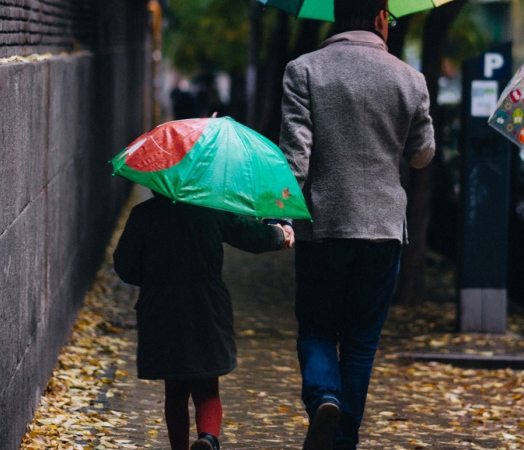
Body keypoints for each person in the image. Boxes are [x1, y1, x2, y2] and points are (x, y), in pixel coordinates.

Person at [278, 0, 435, 447]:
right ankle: (343, 439)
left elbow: (296, 155)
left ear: (335, 15)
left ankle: (324, 396)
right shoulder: (410, 78)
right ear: (381, 17)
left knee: (316, 328)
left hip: (323, 223)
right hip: (382, 227)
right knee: (362, 344)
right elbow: (422, 155)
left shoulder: (303, 70)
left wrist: (278, 214)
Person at [113, 191, 294, 450]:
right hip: (207, 306)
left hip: (161, 308)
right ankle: (208, 438)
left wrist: (154, 280)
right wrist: (278, 235)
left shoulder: (143, 214)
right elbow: (246, 234)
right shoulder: (211, 209)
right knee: (207, 384)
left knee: (174, 389)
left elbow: (124, 265)